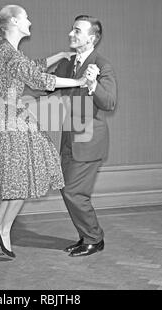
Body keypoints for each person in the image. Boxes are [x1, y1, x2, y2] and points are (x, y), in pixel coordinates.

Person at [0, 5, 91, 258]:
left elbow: (30, 68)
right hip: (8, 121)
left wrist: (57, 56)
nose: (30, 21)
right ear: (14, 20)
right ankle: (3, 230)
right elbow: (41, 81)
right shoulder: (11, 55)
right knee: (21, 181)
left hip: (3, 117)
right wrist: (80, 81)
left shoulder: (7, 52)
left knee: (18, 180)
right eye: (26, 17)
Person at [52, 15, 117, 257]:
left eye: (77, 31)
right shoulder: (68, 63)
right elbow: (47, 84)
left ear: (91, 38)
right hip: (69, 139)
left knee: (73, 192)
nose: (71, 33)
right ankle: (86, 236)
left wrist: (92, 85)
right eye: (72, 29)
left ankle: (93, 238)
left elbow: (109, 102)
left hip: (89, 141)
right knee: (68, 190)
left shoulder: (102, 64)